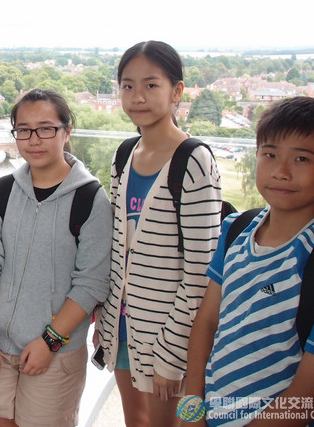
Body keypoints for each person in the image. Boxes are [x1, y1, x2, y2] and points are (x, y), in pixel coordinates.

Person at [183, 96, 314, 426]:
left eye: (301, 158)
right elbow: (207, 322)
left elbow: (308, 397)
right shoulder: (235, 229)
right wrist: (190, 410)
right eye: (270, 154)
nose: (281, 172)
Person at [94, 40, 223, 427]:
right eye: (128, 85)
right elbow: (117, 247)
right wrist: (105, 319)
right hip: (123, 325)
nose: (138, 96)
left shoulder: (194, 160)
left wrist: (173, 353)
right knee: (135, 420)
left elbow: (201, 272)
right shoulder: (124, 155)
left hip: (167, 333)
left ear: (176, 91)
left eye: (151, 85)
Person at [0, 89, 112, 427]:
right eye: (24, 130)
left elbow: (91, 282)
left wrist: (51, 340)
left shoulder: (90, 199)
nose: (34, 140)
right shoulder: (3, 191)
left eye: (46, 128)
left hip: (56, 351)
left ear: (66, 131)